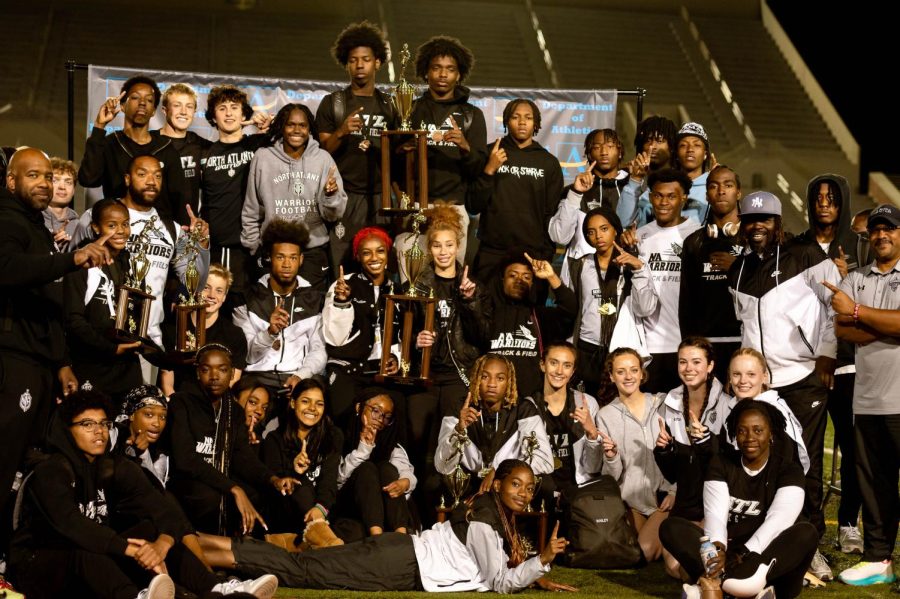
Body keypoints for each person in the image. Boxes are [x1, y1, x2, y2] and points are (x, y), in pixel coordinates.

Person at [8, 388, 279, 599]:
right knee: (86, 548)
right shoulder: (51, 470)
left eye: (103, 423)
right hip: (37, 564)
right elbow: (71, 525)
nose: (99, 431)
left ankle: (219, 588)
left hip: (93, 561)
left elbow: (162, 507)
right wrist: (128, 548)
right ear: (67, 430)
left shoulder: (111, 466)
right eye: (87, 424)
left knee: (148, 532)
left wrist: (161, 544)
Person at [198, 459, 571, 593]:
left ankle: (202, 548)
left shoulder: (489, 509)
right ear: (499, 483)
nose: (523, 493)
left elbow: (501, 561)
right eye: (515, 484)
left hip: (401, 556)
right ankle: (200, 547)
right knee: (304, 572)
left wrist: (537, 573)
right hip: (400, 563)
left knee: (307, 567)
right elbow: (500, 583)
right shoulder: (485, 522)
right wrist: (543, 560)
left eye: (529, 487)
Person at [0, 148, 112, 557]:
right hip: (11, 361)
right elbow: (7, 268)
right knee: (5, 460)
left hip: (40, 363)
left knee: (25, 465)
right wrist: (72, 258)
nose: (45, 184)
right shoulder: (6, 219)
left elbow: (49, 305)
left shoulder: (38, 228)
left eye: (49, 177)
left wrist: (62, 361)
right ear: (11, 182)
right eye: (33, 176)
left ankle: (14, 556)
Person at [728, 191, 839, 577]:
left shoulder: (807, 255)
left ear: (778, 223)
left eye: (765, 220)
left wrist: (826, 351)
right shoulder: (738, 269)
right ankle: (771, 544)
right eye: (750, 220)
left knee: (803, 466)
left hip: (802, 378)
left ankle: (810, 548)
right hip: (761, 387)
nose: (757, 226)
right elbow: (745, 327)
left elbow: (835, 305)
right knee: (765, 464)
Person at [661, 400, 818, 599]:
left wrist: (743, 554)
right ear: (735, 435)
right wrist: (717, 550)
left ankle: (715, 588)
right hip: (729, 552)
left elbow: (778, 521)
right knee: (672, 528)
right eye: (742, 431)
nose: (750, 437)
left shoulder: (789, 470)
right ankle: (739, 589)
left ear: (771, 434)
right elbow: (715, 515)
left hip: (765, 553)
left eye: (758, 430)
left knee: (806, 533)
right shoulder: (722, 463)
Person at [828, 204, 900, 586]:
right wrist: (885, 324)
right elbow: (842, 329)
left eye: (889, 228)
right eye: (875, 230)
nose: (881, 235)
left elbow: (852, 316)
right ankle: (878, 560)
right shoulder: (856, 278)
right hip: (867, 399)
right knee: (875, 485)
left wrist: (859, 312)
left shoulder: (853, 292)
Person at [72, 154, 212, 349]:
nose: (151, 181)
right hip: (100, 338)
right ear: (127, 179)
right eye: (142, 174)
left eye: (157, 176)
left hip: (150, 340)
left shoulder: (172, 229)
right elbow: (71, 267)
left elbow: (194, 285)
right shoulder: (96, 216)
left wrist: (201, 244)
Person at [793, 173, 863, 554]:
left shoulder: (859, 247)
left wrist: (849, 277)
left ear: (842, 202)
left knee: (854, 450)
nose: (824, 202)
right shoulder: (795, 246)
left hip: (850, 366)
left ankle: (849, 523)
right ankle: (806, 527)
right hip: (803, 367)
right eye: (818, 196)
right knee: (805, 449)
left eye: (831, 197)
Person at [168, 344, 297, 535]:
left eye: (222, 369)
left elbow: (242, 456)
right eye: (206, 369)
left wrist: (273, 479)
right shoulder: (181, 402)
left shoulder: (234, 410)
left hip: (219, 479)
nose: (214, 376)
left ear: (231, 374)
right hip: (189, 482)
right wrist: (234, 488)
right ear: (197, 373)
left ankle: (244, 551)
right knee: (212, 497)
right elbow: (185, 460)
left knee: (262, 494)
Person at [242, 103, 347, 295]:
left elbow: (334, 215)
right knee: (272, 317)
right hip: (274, 252)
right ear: (281, 126)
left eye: (303, 125)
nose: (297, 130)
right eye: (291, 125)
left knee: (309, 316)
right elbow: (251, 208)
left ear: (309, 129)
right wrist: (254, 248)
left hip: (312, 251)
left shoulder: (323, 159)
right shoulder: (263, 158)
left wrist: (330, 196)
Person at [317, 21, 397, 267]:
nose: (359, 65)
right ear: (346, 64)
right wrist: (341, 131)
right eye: (353, 60)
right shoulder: (334, 103)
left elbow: (398, 155)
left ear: (378, 63)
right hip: (344, 196)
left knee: (379, 267)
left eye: (365, 59)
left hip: (380, 198)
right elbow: (322, 152)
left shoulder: (391, 105)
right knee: (342, 265)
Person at [655, 337, 734, 577]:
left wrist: (707, 442)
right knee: (674, 568)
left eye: (696, 362)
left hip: (717, 507)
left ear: (710, 366)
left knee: (696, 564)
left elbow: (731, 467)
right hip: (685, 506)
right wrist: (664, 450)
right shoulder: (669, 403)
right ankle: (711, 578)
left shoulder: (728, 405)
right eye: (683, 362)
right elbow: (673, 473)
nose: (688, 368)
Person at [567, 205, 658, 398]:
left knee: (621, 404)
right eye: (591, 232)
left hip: (620, 348)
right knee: (586, 404)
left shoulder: (633, 263)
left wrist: (638, 269)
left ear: (615, 230)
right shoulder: (580, 264)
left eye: (604, 229)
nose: (598, 236)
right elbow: (572, 308)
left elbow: (645, 309)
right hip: (587, 347)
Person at [468, 98, 563, 282]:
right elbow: (473, 205)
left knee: (528, 312)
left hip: (532, 254)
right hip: (492, 252)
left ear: (536, 123)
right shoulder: (490, 153)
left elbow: (551, 213)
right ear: (506, 121)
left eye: (528, 117)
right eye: (515, 117)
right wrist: (489, 170)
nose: (521, 122)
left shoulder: (548, 163)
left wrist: (545, 255)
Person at [410, 35, 488, 259]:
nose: (443, 74)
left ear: (459, 74)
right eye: (436, 68)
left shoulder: (472, 115)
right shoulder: (411, 110)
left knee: (449, 281)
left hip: (455, 208)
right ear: (426, 71)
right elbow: (395, 162)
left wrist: (465, 146)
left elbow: (479, 170)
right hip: (416, 205)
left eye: (450, 69)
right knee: (414, 283)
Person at [625, 168, 702, 392]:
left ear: (684, 198)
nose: (663, 202)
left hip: (685, 346)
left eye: (671, 196)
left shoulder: (697, 235)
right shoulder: (640, 236)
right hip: (648, 348)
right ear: (650, 197)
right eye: (658, 195)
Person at [233, 219, 327, 397]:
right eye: (280, 257)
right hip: (257, 378)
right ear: (269, 257)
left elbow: (319, 351)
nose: (286, 264)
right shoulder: (247, 299)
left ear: (301, 260)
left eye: (292, 257)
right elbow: (248, 356)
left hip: (298, 378)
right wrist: (269, 333)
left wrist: (300, 376)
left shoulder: (315, 300)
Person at [435, 354, 553, 496]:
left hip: (509, 485)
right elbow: (442, 465)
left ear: (509, 382)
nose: (492, 384)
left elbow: (544, 460)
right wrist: (459, 429)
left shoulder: (523, 409)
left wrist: (500, 472)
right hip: (469, 484)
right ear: (476, 379)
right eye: (484, 377)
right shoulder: (460, 409)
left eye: (500, 378)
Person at [597, 347, 674, 563]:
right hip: (631, 502)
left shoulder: (663, 404)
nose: (628, 376)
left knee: (646, 551)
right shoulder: (605, 415)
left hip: (663, 500)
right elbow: (610, 477)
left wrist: (675, 491)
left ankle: (667, 537)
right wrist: (611, 456)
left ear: (642, 373)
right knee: (629, 551)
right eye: (621, 372)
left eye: (633, 370)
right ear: (612, 377)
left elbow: (683, 456)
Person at [64, 199, 143, 402]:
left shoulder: (130, 262)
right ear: (95, 228)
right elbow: (74, 320)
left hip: (126, 367)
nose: (120, 231)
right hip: (91, 365)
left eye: (125, 224)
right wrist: (110, 348)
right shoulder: (82, 262)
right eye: (111, 225)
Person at [78, 75, 186, 222]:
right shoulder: (110, 144)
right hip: (119, 230)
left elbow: (179, 197)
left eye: (149, 100)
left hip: (159, 235)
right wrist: (99, 127)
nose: (142, 103)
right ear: (122, 106)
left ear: (154, 111)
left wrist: (181, 234)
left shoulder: (166, 148)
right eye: (135, 98)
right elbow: (88, 180)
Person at [468, 252, 577, 397]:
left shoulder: (541, 316)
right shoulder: (488, 315)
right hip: (493, 402)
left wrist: (551, 276)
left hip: (531, 404)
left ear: (533, 283)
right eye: (512, 275)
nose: (519, 280)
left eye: (526, 277)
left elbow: (570, 310)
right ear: (502, 280)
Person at [199, 83, 272, 301]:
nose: (229, 113)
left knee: (253, 309)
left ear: (244, 114)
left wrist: (263, 123)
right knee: (219, 305)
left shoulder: (259, 145)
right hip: (219, 246)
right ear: (213, 117)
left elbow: (293, 129)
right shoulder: (205, 154)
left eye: (235, 107)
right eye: (222, 108)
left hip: (254, 245)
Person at [323, 226, 399, 422]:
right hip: (346, 369)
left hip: (380, 374)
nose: (374, 257)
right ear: (357, 256)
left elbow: (403, 335)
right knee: (345, 415)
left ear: (388, 254)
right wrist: (342, 303)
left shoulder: (397, 290)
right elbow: (334, 339)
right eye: (366, 252)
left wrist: (396, 358)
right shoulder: (343, 285)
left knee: (396, 410)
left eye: (380, 251)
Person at [261, 378, 344, 549]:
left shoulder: (333, 436)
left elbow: (329, 480)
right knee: (299, 484)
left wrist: (320, 509)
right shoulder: (274, 439)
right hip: (287, 513)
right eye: (305, 401)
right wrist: (295, 471)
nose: (312, 409)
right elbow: (276, 487)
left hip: (320, 512)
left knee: (353, 529)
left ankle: (299, 544)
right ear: (293, 403)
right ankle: (324, 547)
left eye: (319, 404)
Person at [679, 165, 743, 383]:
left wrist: (738, 267)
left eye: (728, 185)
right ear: (707, 195)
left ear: (738, 192)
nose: (721, 191)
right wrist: (688, 347)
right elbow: (686, 302)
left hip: (745, 342)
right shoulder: (693, 243)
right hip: (705, 347)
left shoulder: (753, 240)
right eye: (714, 186)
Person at [529, 342, 609, 506]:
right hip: (540, 493)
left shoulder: (586, 403)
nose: (559, 371)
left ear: (573, 371)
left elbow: (593, 468)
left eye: (567, 365)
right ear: (542, 365)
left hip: (578, 495)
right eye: (553, 363)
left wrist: (592, 434)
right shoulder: (529, 406)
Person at [549, 128, 631, 285]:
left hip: (622, 273)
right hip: (578, 274)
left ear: (620, 152)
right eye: (597, 147)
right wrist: (575, 194)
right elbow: (560, 237)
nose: (604, 152)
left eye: (610, 146)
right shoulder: (572, 191)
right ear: (589, 154)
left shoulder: (633, 189)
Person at [160, 263, 248, 395]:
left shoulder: (234, 334)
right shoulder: (173, 328)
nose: (212, 295)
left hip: (214, 404)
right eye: (206, 288)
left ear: (224, 296)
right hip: (177, 402)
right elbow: (167, 380)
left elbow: (232, 381)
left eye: (219, 290)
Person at [337, 390, 415, 537]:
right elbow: (339, 481)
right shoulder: (340, 436)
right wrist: (364, 448)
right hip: (350, 506)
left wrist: (405, 482)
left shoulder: (390, 443)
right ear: (359, 408)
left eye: (387, 416)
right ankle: (377, 536)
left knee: (386, 467)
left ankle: (400, 535)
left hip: (384, 511)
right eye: (376, 411)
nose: (380, 418)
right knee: (366, 468)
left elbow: (407, 472)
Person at [725, 348, 809, 471]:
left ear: (764, 377)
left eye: (751, 374)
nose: (743, 381)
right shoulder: (731, 407)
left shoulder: (775, 413)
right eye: (737, 374)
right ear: (730, 378)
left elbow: (786, 464)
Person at [157, 82, 209, 216]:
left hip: (188, 229)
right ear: (164, 110)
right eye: (177, 105)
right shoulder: (149, 142)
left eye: (189, 107)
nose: (183, 112)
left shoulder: (202, 146)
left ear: (194, 112)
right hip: (152, 227)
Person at [618, 115, 678, 228]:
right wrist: (635, 179)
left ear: (672, 146)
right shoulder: (630, 178)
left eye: (659, 141)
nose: (652, 146)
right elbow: (623, 222)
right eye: (648, 140)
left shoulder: (681, 181)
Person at [672, 122, 713, 223]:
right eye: (683, 145)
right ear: (676, 154)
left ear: (705, 154)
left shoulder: (714, 187)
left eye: (697, 145)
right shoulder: (664, 185)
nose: (690, 149)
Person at [43, 157, 80, 251]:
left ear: (74, 190)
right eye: (55, 180)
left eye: (68, 182)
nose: (62, 187)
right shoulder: (33, 221)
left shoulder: (80, 225)